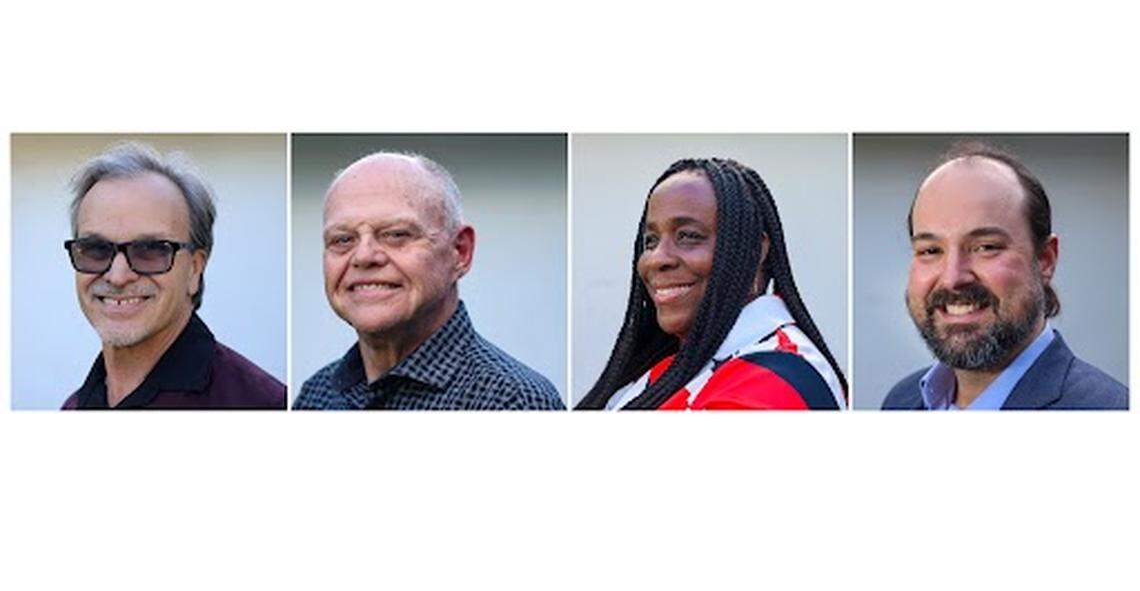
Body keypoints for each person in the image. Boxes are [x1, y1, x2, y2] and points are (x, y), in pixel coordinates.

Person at [292, 152, 564, 410]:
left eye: (396, 234)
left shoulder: (513, 402)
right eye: (343, 239)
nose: (364, 256)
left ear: (460, 252)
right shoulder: (316, 396)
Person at [576, 158, 847, 410]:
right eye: (651, 241)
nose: (656, 259)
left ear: (755, 250)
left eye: (688, 236)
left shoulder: (778, 381)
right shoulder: (674, 366)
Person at [882, 142, 1128, 410]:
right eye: (930, 250)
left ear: (1045, 259)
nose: (953, 278)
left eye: (986, 247)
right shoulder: (901, 401)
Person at [63, 142, 285, 409]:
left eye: (150, 250)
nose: (118, 276)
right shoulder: (74, 407)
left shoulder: (261, 405)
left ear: (195, 268)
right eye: (96, 249)